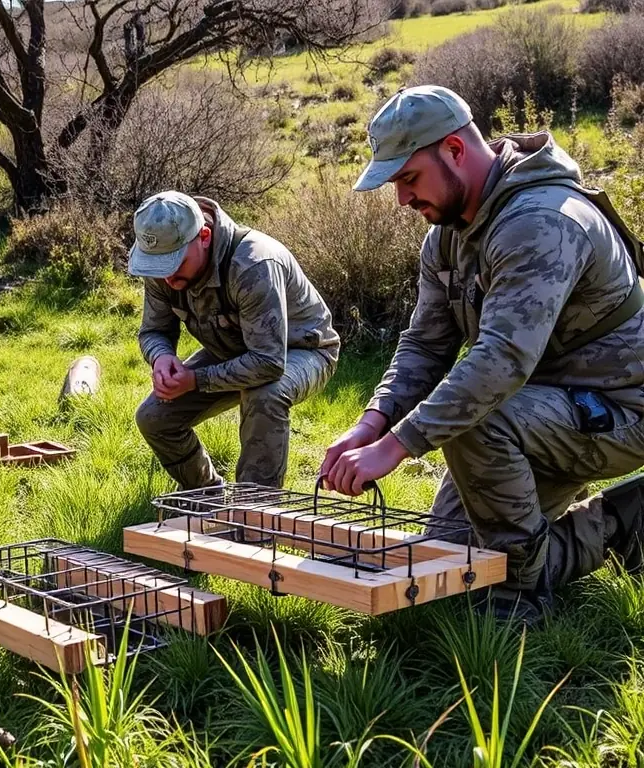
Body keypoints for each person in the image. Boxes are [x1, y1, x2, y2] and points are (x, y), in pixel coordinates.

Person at [320, 85, 644, 622]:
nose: (402, 199)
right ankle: (595, 534)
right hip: (546, 407)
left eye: (407, 178)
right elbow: (425, 344)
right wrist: (370, 424)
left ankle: (529, 587)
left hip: (623, 407)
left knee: (475, 436)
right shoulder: (447, 235)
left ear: (454, 150)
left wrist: (397, 446)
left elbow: (500, 360)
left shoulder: (542, 221)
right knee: (453, 559)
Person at [130, 190, 340, 489]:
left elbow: (267, 363)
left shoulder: (254, 263)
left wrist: (195, 380)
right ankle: (206, 496)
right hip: (232, 349)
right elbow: (154, 330)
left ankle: (254, 516)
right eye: (157, 266)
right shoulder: (162, 265)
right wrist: (161, 356)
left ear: (203, 236)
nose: (166, 277)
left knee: (264, 395)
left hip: (301, 350)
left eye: (174, 262)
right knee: (154, 418)